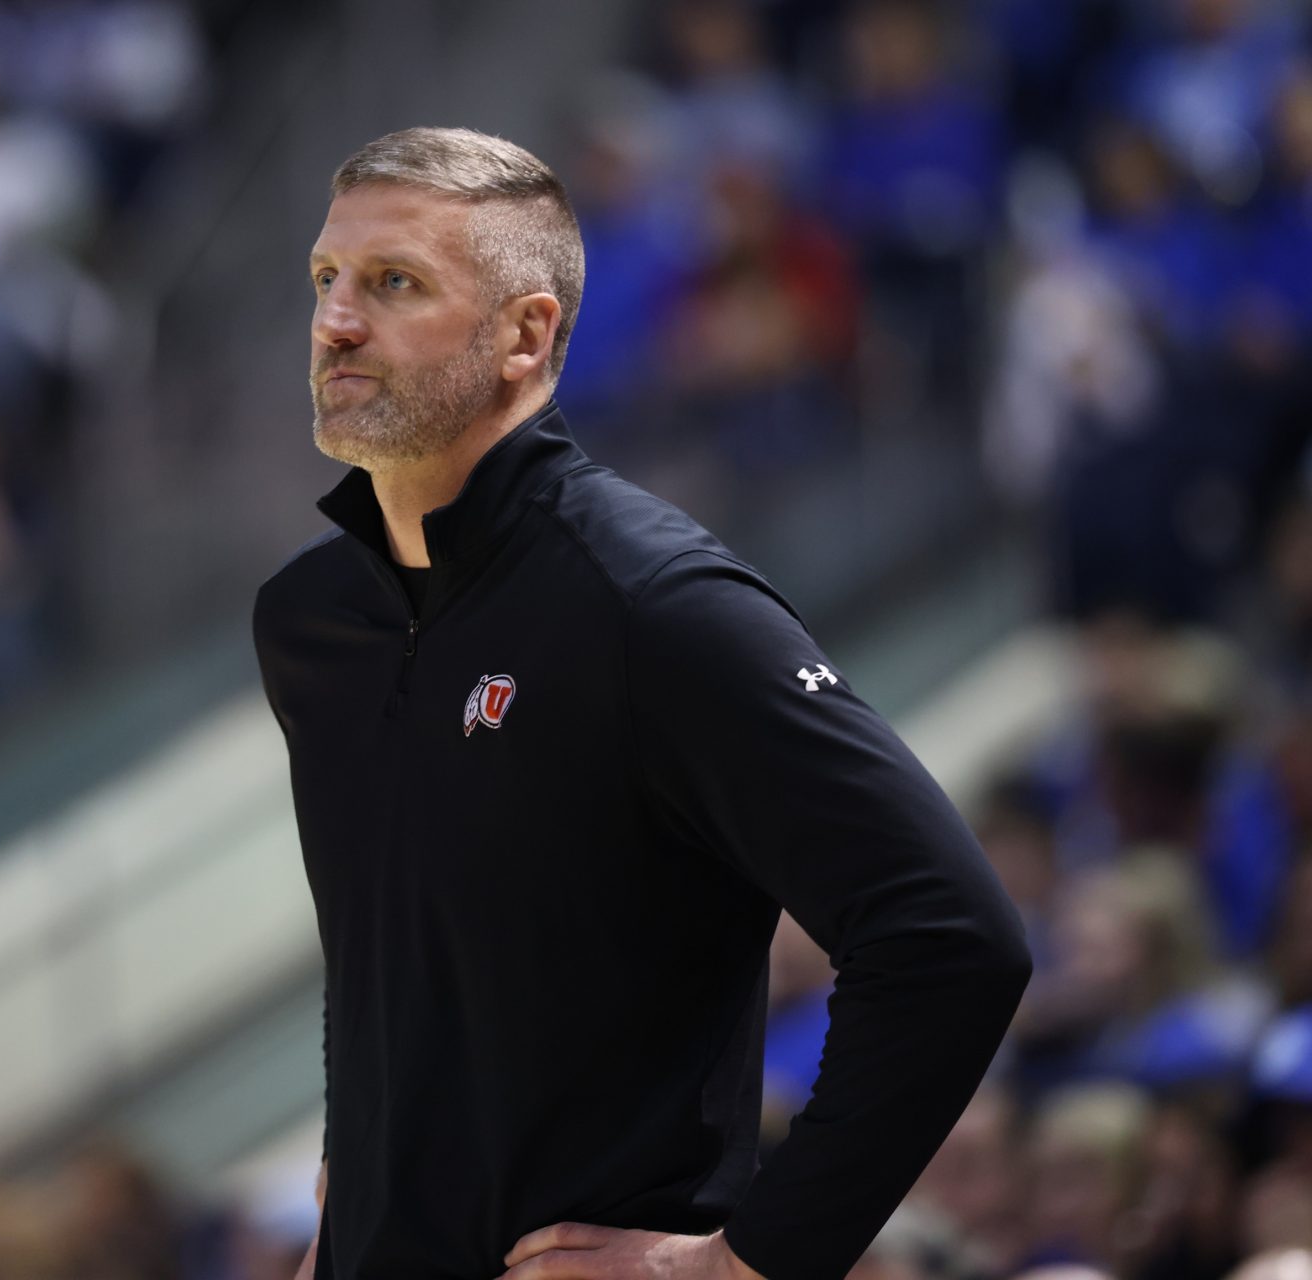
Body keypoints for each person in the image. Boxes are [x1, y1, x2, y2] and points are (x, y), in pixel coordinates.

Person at [251, 126, 1033, 1280]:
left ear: (526, 334)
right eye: (328, 279)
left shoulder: (650, 602)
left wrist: (740, 1262)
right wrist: (351, 1179)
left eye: (394, 282)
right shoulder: (310, 618)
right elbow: (383, 958)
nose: (336, 321)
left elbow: (951, 936)